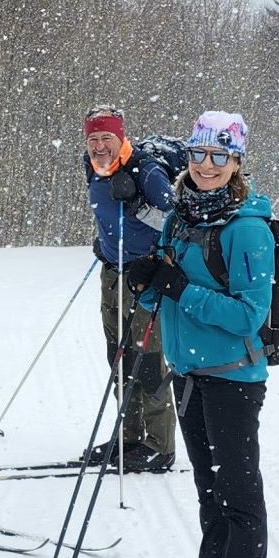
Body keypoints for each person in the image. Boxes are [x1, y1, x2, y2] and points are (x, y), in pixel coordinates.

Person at [124, 111, 275, 558]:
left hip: (234, 377)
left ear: (236, 162)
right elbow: (161, 288)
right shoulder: (180, 216)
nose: (206, 166)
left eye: (219, 156)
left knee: (239, 492)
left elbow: (248, 316)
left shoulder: (249, 229)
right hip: (187, 370)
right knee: (209, 488)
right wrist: (147, 283)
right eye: (198, 154)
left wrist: (178, 287)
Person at [81, 105, 177, 473]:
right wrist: (103, 242)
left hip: (146, 277)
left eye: (107, 137)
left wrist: (139, 206)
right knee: (118, 357)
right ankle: (130, 437)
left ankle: (160, 444)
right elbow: (106, 212)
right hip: (112, 272)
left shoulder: (146, 170)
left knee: (148, 360)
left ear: (121, 137)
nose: (100, 145)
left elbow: (175, 222)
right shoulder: (91, 166)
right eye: (93, 138)